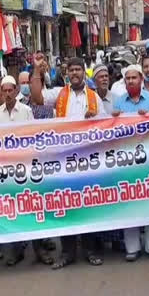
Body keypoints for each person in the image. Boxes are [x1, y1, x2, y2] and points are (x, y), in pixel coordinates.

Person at [29, 55, 106, 268]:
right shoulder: (59, 94)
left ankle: (90, 250)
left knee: (89, 207)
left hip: (88, 162)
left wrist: (97, 120)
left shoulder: (94, 98)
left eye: (78, 70)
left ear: (84, 72)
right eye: (71, 70)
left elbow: (108, 127)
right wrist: (36, 70)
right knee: (66, 206)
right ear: (67, 73)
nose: (74, 73)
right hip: (64, 162)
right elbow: (37, 98)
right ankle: (68, 253)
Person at [0, 76, 52, 265]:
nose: (8, 94)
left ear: (16, 91)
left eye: (11, 90)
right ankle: (16, 251)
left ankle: (39, 250)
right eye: (5, 91)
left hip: (26, 167)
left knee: (33, 209)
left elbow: (33, 137)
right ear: (1, 92)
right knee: (12, 210)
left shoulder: (26, 111)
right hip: (7, 169)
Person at [112, 65, 149, 261]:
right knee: (130, 203)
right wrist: (113, 120)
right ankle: (132, 247)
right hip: (127, 161)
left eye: (134, 77)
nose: (131, 81)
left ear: (141, 79)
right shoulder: (119, 103)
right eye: (128, 78)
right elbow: (112, 133)